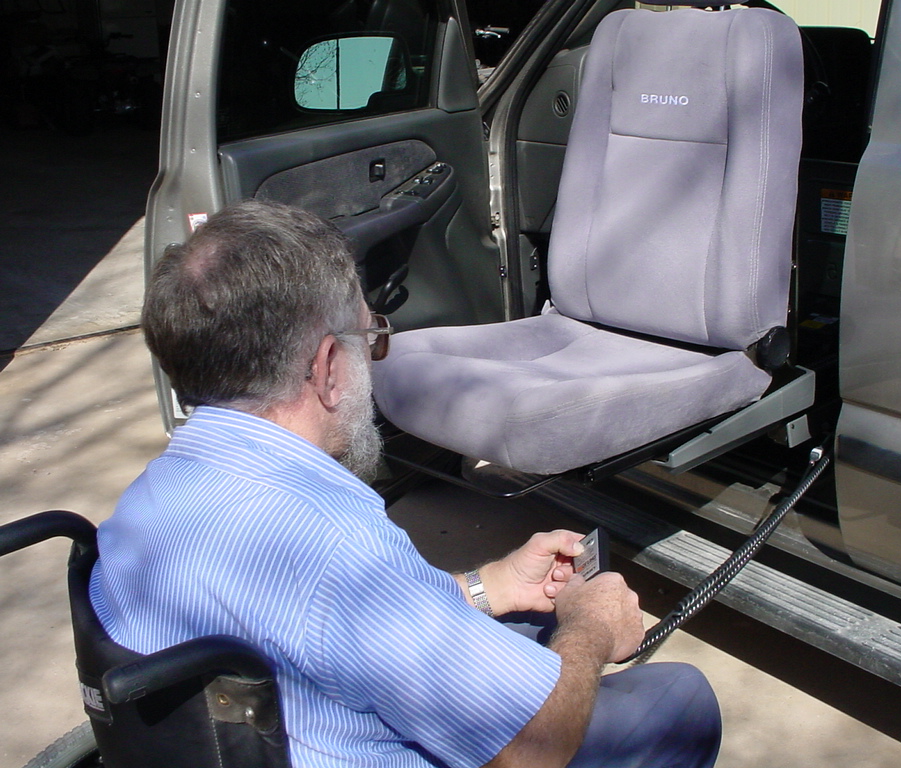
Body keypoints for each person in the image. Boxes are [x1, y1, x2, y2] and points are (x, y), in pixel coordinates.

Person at [90, 199, 721, 768]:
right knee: (680, 697)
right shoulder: (332, 542)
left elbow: (331, 626)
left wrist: (491, 585)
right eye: (371, 338)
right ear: (327, 367)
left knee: (528, 628)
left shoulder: (150, 496)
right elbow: (534, 750)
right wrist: (590, 628)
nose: (372, 359)